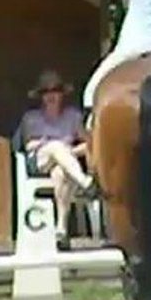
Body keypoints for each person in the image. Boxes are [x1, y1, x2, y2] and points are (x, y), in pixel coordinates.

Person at [14, 69, 98, 249]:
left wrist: (69, 153)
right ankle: (86, 183)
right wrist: (54, 146)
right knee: (55, 147)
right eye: (46, 92)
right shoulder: (31, 118)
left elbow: (88, 144)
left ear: (62, 94)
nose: (51, 95)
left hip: (65, 162)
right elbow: (28, 145)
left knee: (60, 173)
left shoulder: (73, 116)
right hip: (39, 160)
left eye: (55, 90)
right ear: (41, 96)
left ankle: (61, 230)